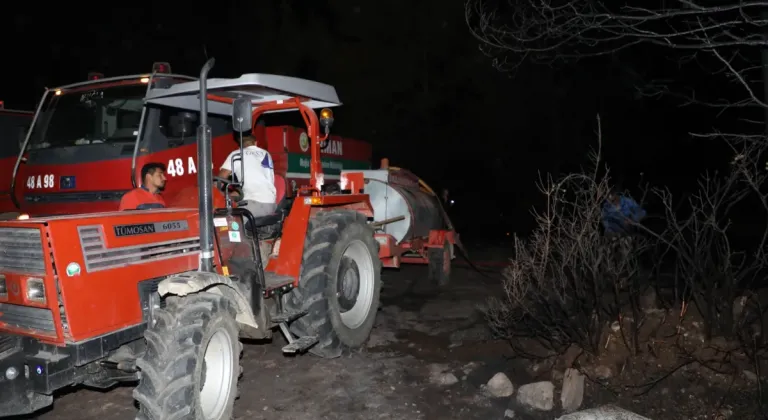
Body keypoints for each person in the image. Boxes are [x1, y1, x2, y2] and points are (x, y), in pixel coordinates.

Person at [218, 133, 277, 218]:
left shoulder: (237, 154)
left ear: (240, 145)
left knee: (225, 222)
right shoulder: (266, 154)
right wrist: (230, 196)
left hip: (254, 205)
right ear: (256, 143)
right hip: (270, 204)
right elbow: (253, 185)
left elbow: (220, 179)